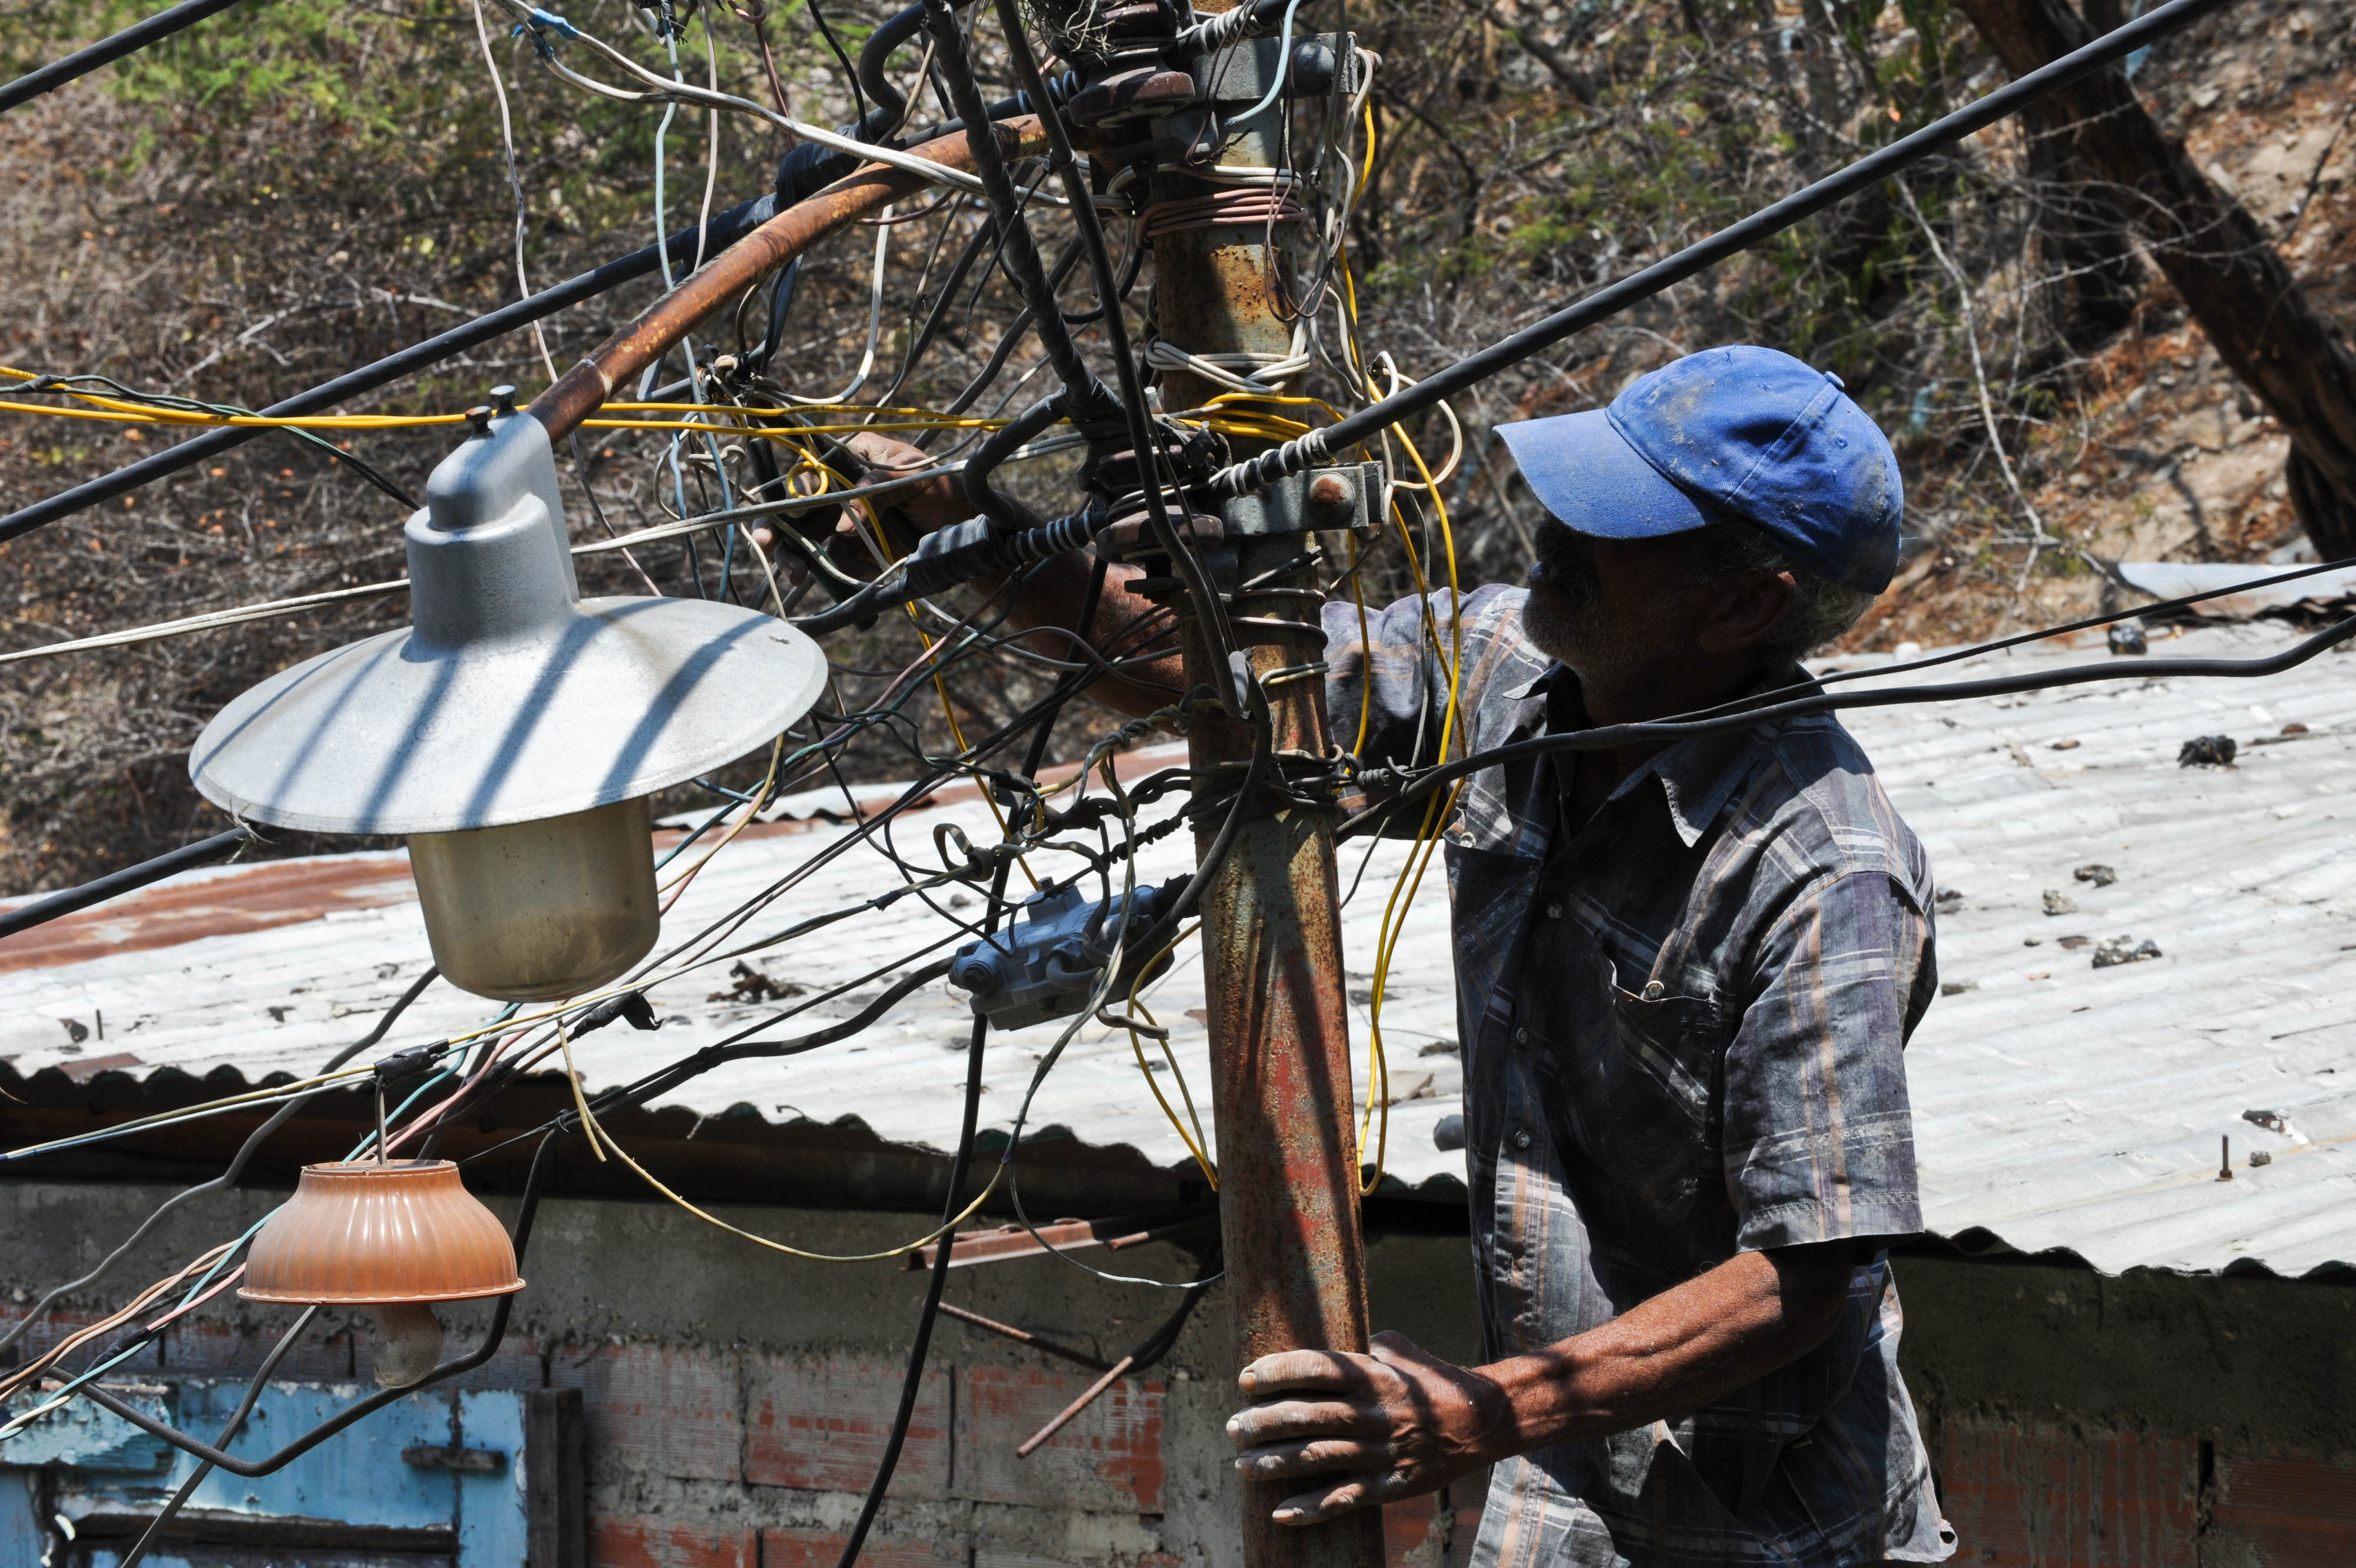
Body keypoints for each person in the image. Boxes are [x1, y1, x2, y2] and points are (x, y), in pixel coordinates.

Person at [794, 344, 1954, 1566]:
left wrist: (1478, 1410)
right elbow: (1207, 676)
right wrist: (969, 529)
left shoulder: (1820, 868)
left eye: (1614, 523)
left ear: (1743, 605)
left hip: (1767, 1530)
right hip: (1562, 1507)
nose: (1556, 533)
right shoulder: (1514, 673)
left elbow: (1800, 1270)